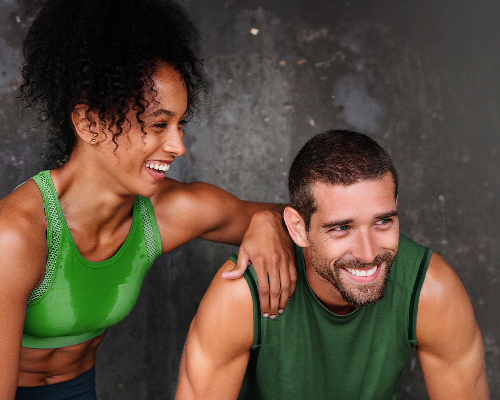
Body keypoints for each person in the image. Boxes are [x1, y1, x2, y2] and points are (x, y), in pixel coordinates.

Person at [0, 0, 297, 399]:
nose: (178, 146)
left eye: (179, 125)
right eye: (159, 125)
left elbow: (306, 218)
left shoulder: (169, 212)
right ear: (89, 123)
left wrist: (264, 222)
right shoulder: (15, 237)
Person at [176, 129, 489, 400]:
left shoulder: (430, 290)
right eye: (341, 228)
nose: (368, 253)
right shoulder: (241, 293)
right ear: (298, 228)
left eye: (382, 222)